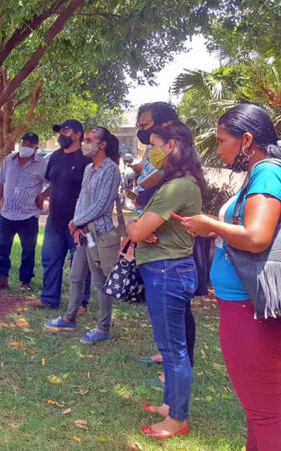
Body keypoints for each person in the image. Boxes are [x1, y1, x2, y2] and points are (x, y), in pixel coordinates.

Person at [181, 104, 281, 450]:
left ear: (247, 140)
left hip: (248, 310)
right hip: (241, 307)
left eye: (223, 140)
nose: (219, 147)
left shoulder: (267, 172)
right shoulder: (259, 173)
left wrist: (211, 226)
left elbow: (256, 237)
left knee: (268, 412)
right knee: (260, 410)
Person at [125, 121, 205, 439]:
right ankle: (171, 406)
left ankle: (177, 419)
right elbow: (145, 228)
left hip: (167, 272)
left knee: (173, 351)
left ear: (171, 145)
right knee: (171, 347)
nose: (150, 151)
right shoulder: (179, 183)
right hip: (169, 270)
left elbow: (137, 230)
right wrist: (143, 228)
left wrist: (138, 228)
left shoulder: (177, 186)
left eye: (154, 143)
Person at [44, 127, 121, 344]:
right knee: (76, 276)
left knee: (99, 281)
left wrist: (77, 221)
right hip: (84, 232)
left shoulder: (111, 170)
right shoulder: (89, 168)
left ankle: (103, 328)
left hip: (99, 233)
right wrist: (76, 224)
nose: (85, 143)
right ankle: (69, 317)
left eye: (89, 140)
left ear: (102, 144)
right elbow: (81, 199)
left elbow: (101, 204)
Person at [31, 119, 92, 310]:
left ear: (78, 134)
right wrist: (43, 195)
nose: (61, 135)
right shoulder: (55, 156)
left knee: (80, 264)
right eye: (60, 131)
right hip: (54, 220)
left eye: (65, 131)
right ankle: (49, 298)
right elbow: (53, 182)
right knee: (50, 259)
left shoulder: (87, 159)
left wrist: (82, 221)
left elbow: (91, 190)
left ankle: (80, 303)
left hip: (79, 222)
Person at [0, 132, 48, 293]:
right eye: (23, 143)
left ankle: (25, 281)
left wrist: (42, 196)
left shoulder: (42, 164)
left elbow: (53, 183)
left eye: (29, 145)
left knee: (28, 250)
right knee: (2, 248)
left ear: (36, 148)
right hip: (7, 213)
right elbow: (0, 182)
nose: (25, 147)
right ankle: (0, 278)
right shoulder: (9, 160)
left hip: (28, 215)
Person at [132, 102, 179, 210]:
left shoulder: (183, 154)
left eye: (144, 125)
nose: (142, 130)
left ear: (164, 124)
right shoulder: (153, 151)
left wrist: (143, 199)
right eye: (139, 126)